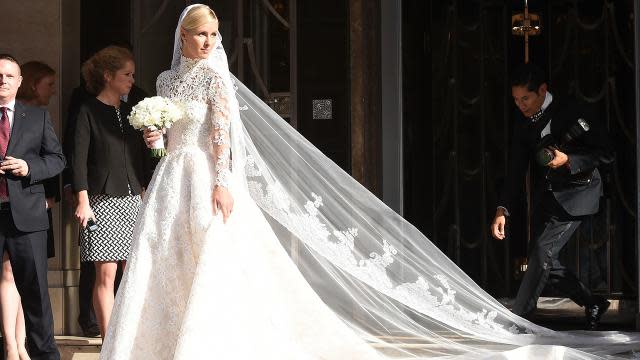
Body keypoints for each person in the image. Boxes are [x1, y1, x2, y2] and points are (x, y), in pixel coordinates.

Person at [100, 5, 640, 360]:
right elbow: (169, 130)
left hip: (206, 177)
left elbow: (223, 136)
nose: (208, 41)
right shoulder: (167, 79)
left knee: (211, 256)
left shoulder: (218, 76)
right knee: (163, 256)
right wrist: (155, 145)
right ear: (182, 36)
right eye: (201, 34)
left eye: (215, 34)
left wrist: (223, 181)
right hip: (173, 175)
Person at [490, 63, 614, 330]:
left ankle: (519, 321)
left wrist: (569, 159)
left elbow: (606, 153)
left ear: (542, 91)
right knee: (544, 257)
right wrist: (502, 209)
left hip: (580, 192)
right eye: (515, 100)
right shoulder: (523, 123)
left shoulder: (573, 110)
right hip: (550, 195)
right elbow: (515, 170)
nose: (521, 105)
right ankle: (592, 302)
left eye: (526, 98)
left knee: (541, 251)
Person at [71, 46, 151, 338]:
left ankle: (129, 338)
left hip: (132, 200)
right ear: (108, 76)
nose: (132, 80)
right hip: (100, 202)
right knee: (105, 276)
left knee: (131, 275)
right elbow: (77, 159)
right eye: (126, 75)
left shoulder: (131, 112)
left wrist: (154, 143)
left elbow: (141, 158)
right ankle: (109, 344)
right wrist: (82, 200)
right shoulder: (87, 110)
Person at [0, 54, 64, 360]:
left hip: (26, 215)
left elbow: (57, 159)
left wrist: (28, 166)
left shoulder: (36, 116)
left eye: (9, 76)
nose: (3, 80)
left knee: (36, 294)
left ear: (19, 82)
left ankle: (44, 355)